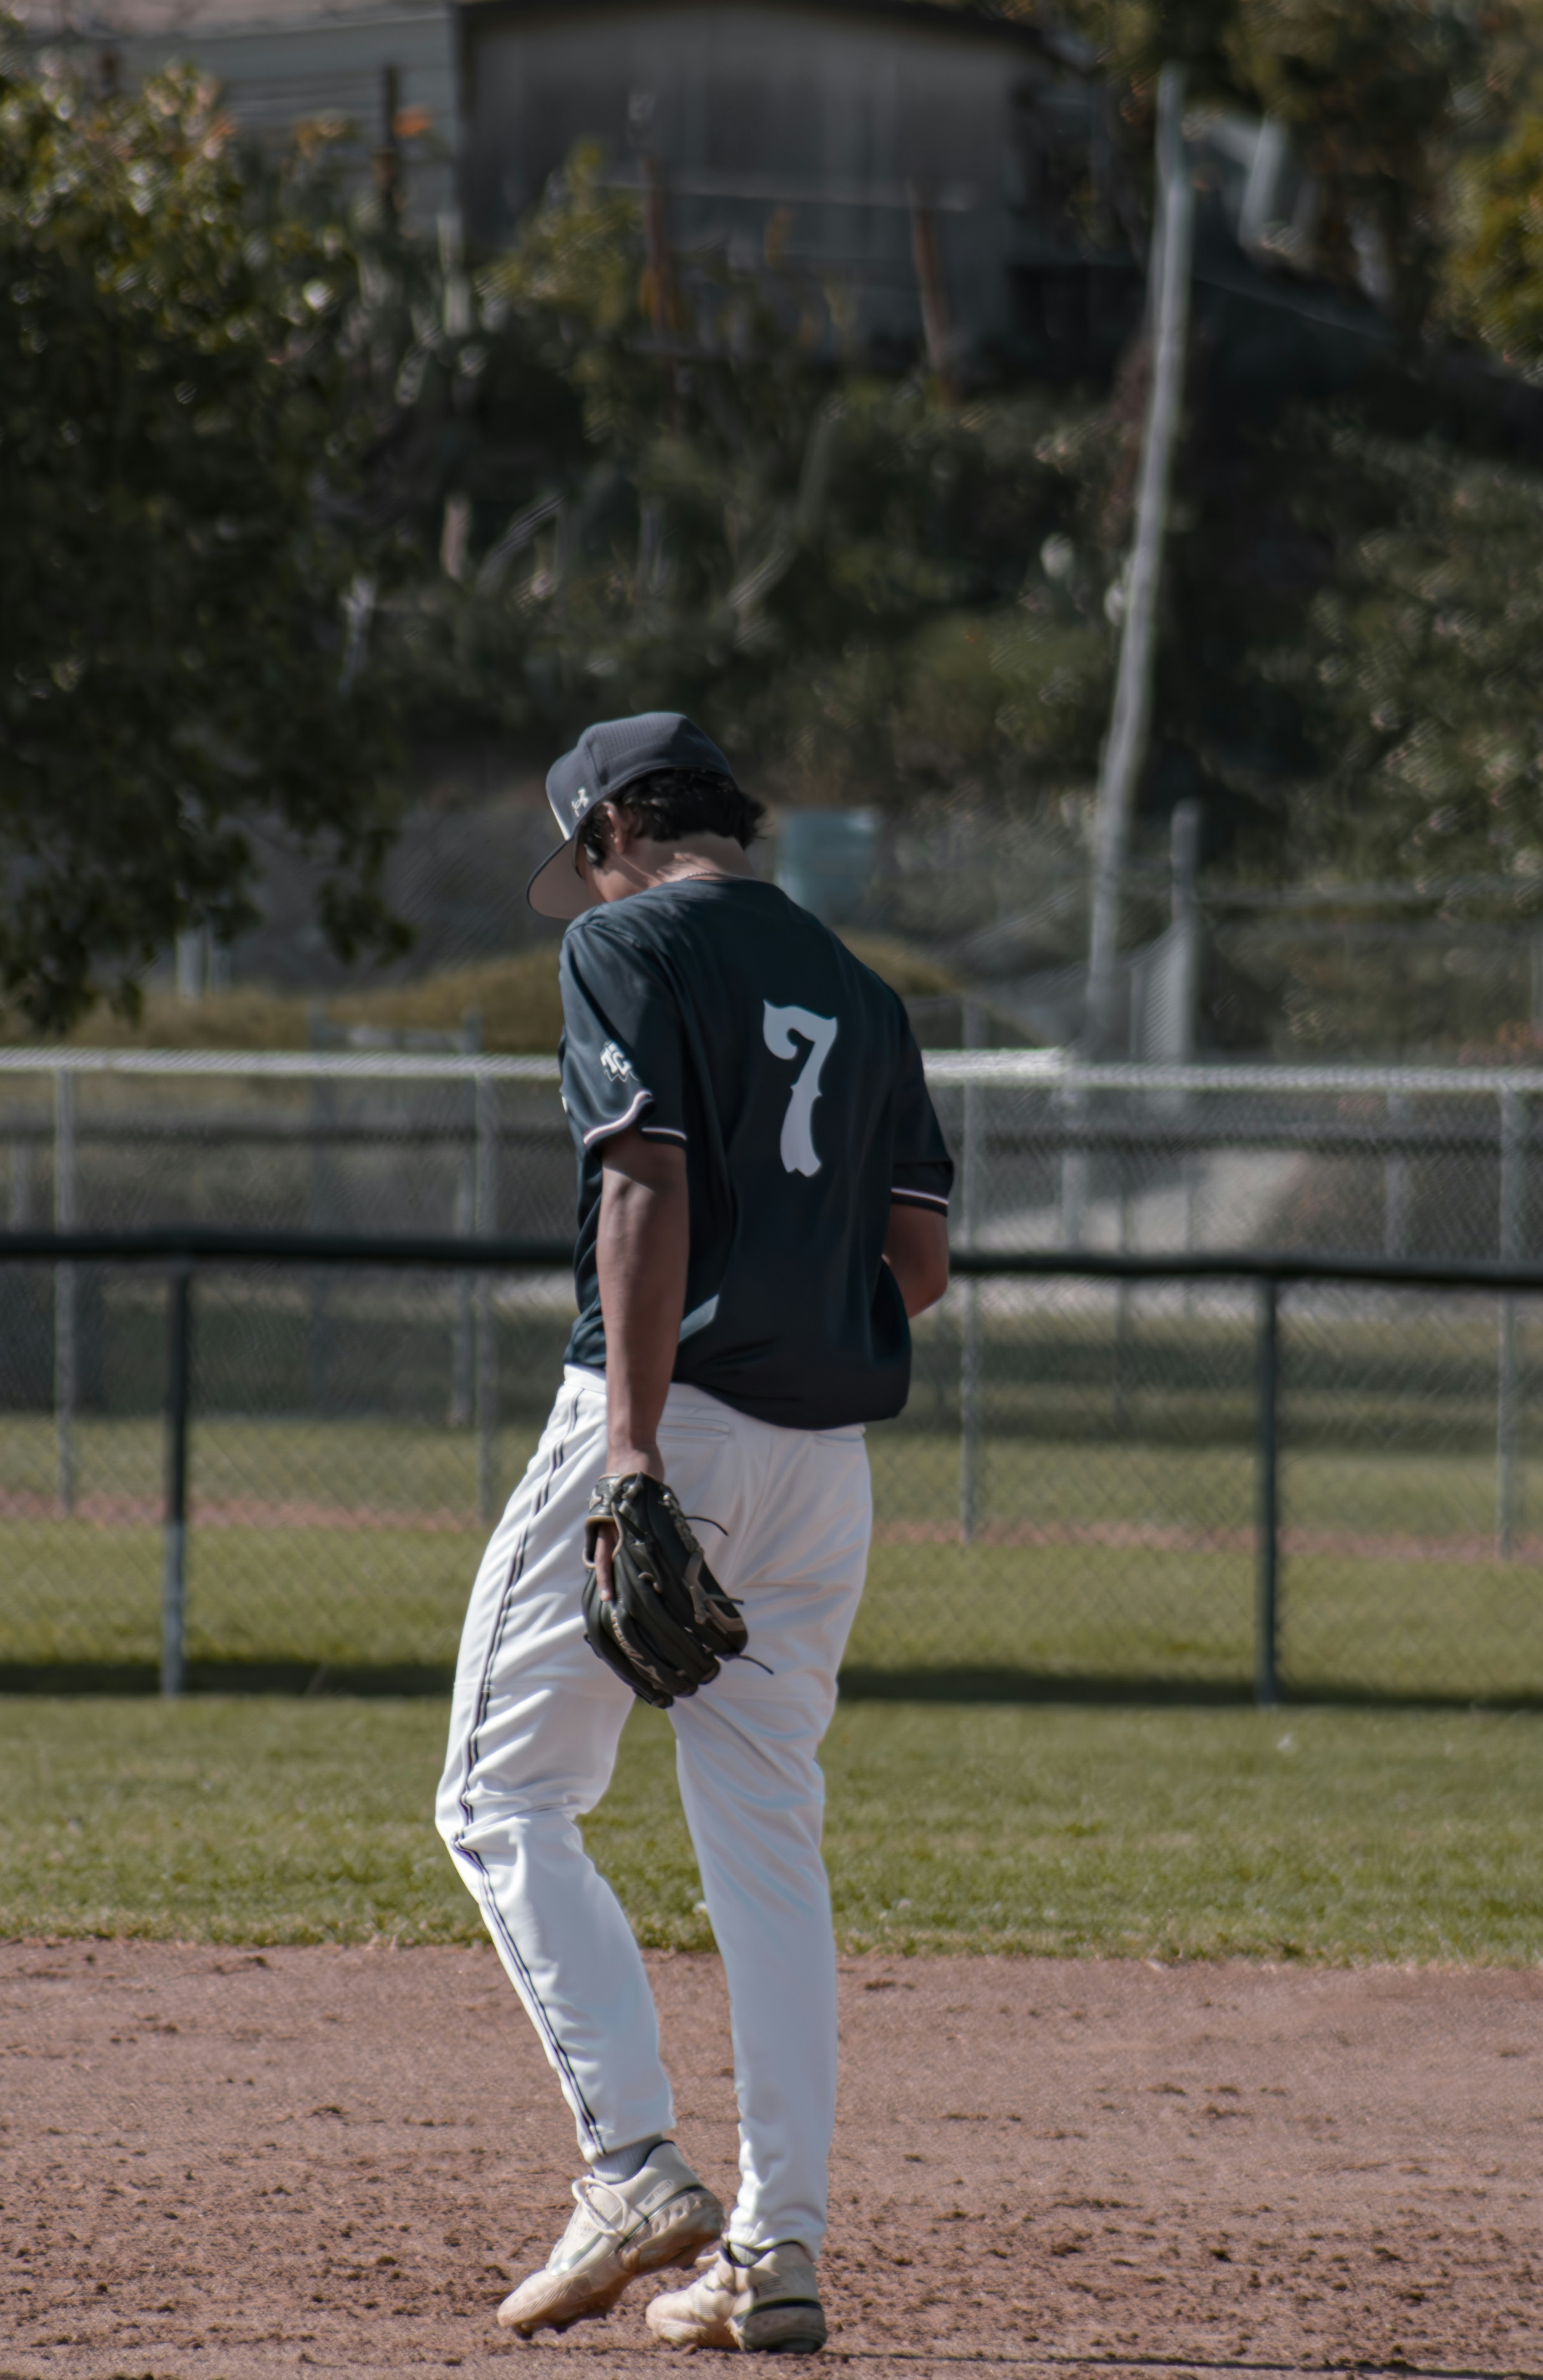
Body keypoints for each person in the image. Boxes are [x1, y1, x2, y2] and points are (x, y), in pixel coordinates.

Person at [435, 711, 951, 2355]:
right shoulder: (860, 989)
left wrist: (640, 1453)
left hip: (664, 1415)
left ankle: (630, 2166)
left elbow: (640, 1184)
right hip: (825, 1465)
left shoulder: (627, 941)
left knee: (499, 1792)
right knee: (766, 1838)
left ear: (610, 835)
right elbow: (919, 1258)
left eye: (580, 860)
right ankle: (776, 2249)